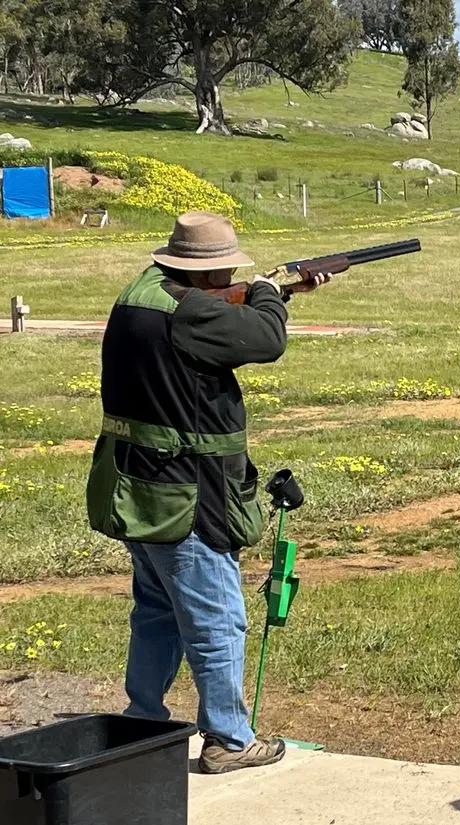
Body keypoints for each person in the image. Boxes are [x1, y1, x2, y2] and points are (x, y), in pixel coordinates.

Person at [86, 211, 329, 774]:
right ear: (200, 275)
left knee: (156, 612)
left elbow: (215, 335)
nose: (225, 282)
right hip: (188, 496)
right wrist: (269, 292)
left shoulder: (141, 294)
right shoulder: (191, 310)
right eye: (221, 275)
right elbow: (265, 340)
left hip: (140, 489)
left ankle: (140, 722)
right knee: (217, 619)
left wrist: (272, 295)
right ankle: (228, 738)